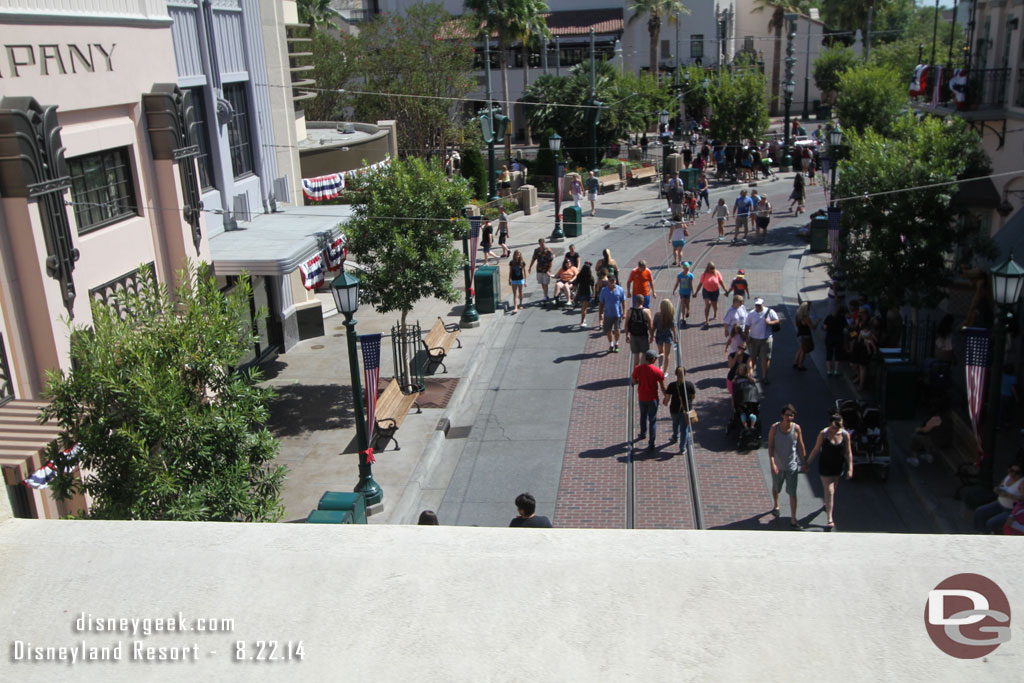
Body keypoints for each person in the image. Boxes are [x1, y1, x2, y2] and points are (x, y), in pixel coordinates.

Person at [806, 412, 854, 530]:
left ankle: (827, 503)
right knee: (830, 490)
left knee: (833, 487)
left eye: (837, 427)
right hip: (825, 466)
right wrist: (807, 463)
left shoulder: (845, 435)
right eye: (833, 427)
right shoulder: (824, 434)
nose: (835, 429)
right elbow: (816, 449)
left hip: (838, 466)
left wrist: (850, 468)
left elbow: (848, 452)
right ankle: (829, 518)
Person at [768, 404, 808, 529]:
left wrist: (804, 462)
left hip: (792, 466)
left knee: (792, 492)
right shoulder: (775, 428)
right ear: (782, 416)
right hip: (778, 466)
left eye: (791, 415)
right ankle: (776, 505)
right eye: (787, 415)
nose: (789, 418)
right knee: (776, 487)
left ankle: (793, 519)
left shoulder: (796, 429)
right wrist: (773, 463)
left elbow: (801, 446)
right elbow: (770, 447)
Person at [632, 348, 668, 451]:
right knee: (652, 420)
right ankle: (651, 443)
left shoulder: (638, 369)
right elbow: (663, 387)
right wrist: (666, 396)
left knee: (643, 415)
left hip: (642, 397)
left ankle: (643, 433)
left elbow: (634, 381)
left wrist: (641, 382)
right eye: (655, 358)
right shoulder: (657, 372)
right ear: (652, 359)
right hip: (653, 399)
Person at [974, 464, 1024, 533]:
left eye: (1017, 472)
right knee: (979, 511)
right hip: (999, 503)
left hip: (1010, 510)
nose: (1013, 474)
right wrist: (997, 490)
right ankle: (982, 532)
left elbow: (1022, 500)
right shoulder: (1008, 477)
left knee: (991, 523)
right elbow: (1000, 486)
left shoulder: (1021, 483)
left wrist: (1009, 495)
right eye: (1011, 471)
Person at [743, 297, 781, 384]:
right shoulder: (751, 314)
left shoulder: (770, 312)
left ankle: (764, 377)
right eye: (756, 305)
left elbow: (777, 320)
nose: (758, 307)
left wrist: (769, 323)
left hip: (766, 339)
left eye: (759, 305)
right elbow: (747, 326)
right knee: (753, 358)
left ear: (763, 304)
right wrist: (746, 337)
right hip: (753, 339)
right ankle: (750, 375)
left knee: (765, 358)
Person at [909, 397, 953, 467]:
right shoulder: (947, 418)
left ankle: (915, 458)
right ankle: (928, 455)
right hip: (946, 440)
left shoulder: (936, 419)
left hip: (938, 442)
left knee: (915, 436)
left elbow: (925, 430)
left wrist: (918, 429)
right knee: (926, 437)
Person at [664, 366, 697, 451]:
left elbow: (667, 397)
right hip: (686, 410)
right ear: (685, 373)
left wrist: (665, 403)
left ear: (675, 374)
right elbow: (693, 396)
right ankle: (682, 448)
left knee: (675, 423)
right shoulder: (689, 385)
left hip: (674, 409)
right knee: (684, 429)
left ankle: (675, 436)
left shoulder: (672, 385)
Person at [696, 261, 727, 329]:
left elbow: (721, 282)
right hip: (706, 291)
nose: (712, 270)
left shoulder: (717, 273)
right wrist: (696, 292)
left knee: (714, 304)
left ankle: (715, 312)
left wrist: (725, 290)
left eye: (713, 268)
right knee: (708, 304)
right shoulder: (704, 274)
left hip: (715, 291)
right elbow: (700, 284)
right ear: (708, 268)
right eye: (711, 268)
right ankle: (707, 320)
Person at [625, 295, 655, 367]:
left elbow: (626, 324)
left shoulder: (630, 311)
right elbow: (650, 326)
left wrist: (627, 335)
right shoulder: (647, 311)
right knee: (644, 354)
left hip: (633, 336)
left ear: (636, 301)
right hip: (643, 336)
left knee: (636, 354)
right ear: (643, 301)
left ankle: (636, 372)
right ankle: (641, 370)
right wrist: (652, 336)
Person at [599, 275, 626, 353]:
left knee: (617, 329)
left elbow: (623, 301)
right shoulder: (604, 290)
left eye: (614, 282)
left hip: (617, 314)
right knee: (609, 330)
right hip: (607, 314)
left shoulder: (620, 289)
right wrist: (601, 313)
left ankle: (616, 343)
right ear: (608, 282)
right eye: (611, 283)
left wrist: (624, 312)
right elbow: (601, 303)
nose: (613, 284)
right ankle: (611, 344)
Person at [792, 301, 818, 371]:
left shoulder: (797, 316)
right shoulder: (806, 318)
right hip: (806, 335)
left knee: (800, 349)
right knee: (804, 351)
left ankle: (795, 362)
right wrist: (817, 321)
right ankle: (800, 365)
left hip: (799, 334)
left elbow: (796, 324)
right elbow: (812, 327)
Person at [652, 299, 677, 373]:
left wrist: (652, 335)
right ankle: (664, 372)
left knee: (660, 352)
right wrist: (675, 339)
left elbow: (654, 327)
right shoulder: (670, 317)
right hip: (668, 336)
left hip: (659, 335)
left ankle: (660, 367)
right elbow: (674, 329)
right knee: (667, 354)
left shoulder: (657, 315)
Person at [822, 305, 847, 377]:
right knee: (837, 354)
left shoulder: (829, 317)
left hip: (829, 337)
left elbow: (825, 327)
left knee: (829, 353)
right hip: (839, 338)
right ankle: (836, 370)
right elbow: (846, 328)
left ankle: (829, 370)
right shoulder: (842, 318)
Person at [527, 238, 554, 302]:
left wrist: (549, 270)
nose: (542, 245)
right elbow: (533, 259)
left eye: (543, 244)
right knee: (542, 283)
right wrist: (530, 267)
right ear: (539, 244)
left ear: (544, 243)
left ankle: (545, 295)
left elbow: (551, 261)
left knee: (546, 283)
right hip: (539, 269)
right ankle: (545, 295)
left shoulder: (549, 251)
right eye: (541, 244)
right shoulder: (536, 250)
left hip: (546, 269)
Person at [573, 261, 595, 328]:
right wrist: (593, 293)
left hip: (580, 293)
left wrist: (573, 291)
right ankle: (582, 322)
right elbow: (592, 286)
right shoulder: (591, 277)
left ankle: (583, 319)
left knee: (583, 308)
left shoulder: (579, 276)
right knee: (584, 309)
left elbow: (575, 284)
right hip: (587, 293)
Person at [672, 261, 694, 327]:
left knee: (687, 303)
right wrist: (674, 290)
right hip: (682, 292)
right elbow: (677, 283)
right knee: (683, 304)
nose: (686, 270)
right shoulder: (680, 275)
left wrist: (693, 292)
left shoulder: (690, 275)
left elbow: (691, 284)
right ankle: (683, 317)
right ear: (683, 268)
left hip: (688, 292)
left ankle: (688, 311)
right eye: (685, 268)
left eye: (687, 268)